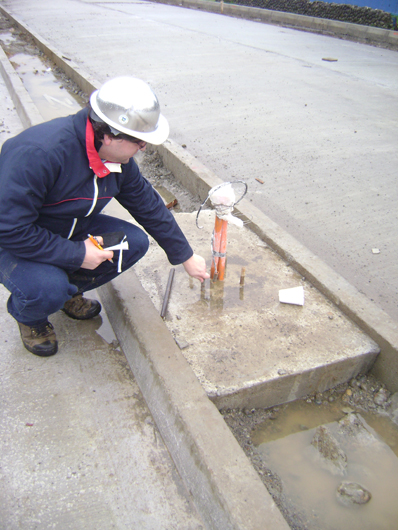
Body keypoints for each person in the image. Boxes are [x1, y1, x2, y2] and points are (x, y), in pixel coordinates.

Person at [0, 76, 209, 357]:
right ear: (109, 134)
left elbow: (148, 205)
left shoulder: (115, 159)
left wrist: (185, 255)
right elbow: (9, 230)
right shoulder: (39, 154)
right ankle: (31, 317)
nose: (143, 148)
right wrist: (76, 254)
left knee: (132, 243)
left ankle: (67, 294)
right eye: (139, 142)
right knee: (46, 288)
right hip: (15, 243)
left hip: (68, 229)